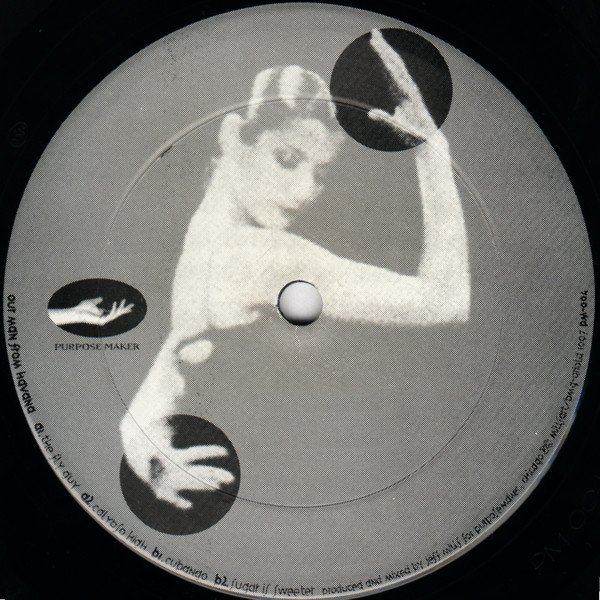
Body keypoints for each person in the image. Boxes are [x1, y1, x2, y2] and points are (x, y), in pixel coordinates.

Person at [120, 30, 470, 510]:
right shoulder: (264, 257)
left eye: (320, 172)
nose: (306, 190)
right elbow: (446, 300)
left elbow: (167, 367)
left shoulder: (204, 240)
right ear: (233, 138)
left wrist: (145, 448)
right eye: (287, 159)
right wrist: (433, 152)